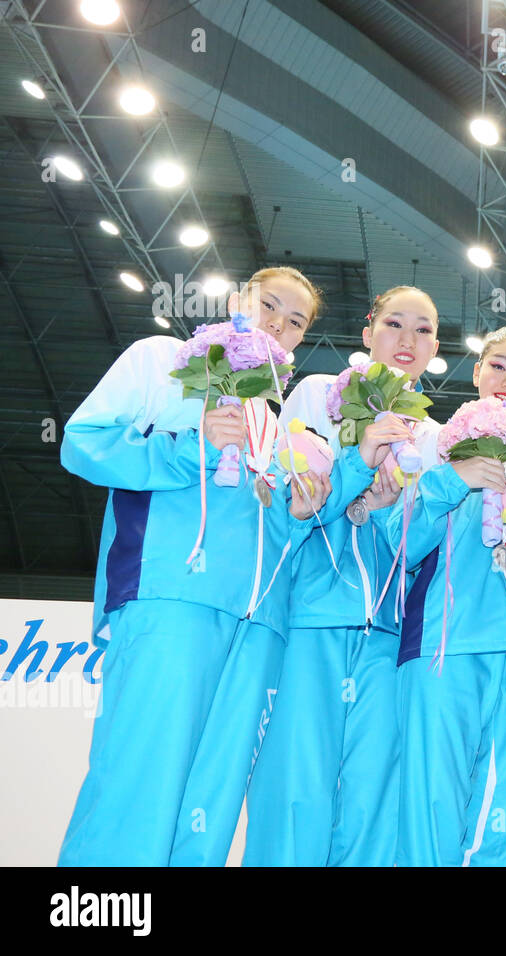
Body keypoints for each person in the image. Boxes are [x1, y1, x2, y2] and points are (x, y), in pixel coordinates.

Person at [60, 266, 329, 866]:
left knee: (211, 802)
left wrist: (304, 508)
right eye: (268, 306)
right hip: (171, 595)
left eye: (295, 322)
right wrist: (190, 446)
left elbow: (277, 527)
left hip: (259, 622)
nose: (277, 326)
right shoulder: (164, 359)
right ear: (237, 301)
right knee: (140, 783)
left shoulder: (283, 416)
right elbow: (81, 443)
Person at [242, 286, 440, 866]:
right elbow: (292, 505)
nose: (407, 340)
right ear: (367, 332)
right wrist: (357, 470)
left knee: (370, 803)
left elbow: (419, 551)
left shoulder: (435, 437)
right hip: (311, 619)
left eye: (423, 330)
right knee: (295, 794)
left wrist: (388, 513)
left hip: (387, 635)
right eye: (395, 324)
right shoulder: (315, 394)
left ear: (434, 347)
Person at [390, 325, 506, 867]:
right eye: (499, 366)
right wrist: (453, 479)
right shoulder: (429, 447)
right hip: (441, 650)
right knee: (431, 805)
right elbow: (397, 549)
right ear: (476, 372)